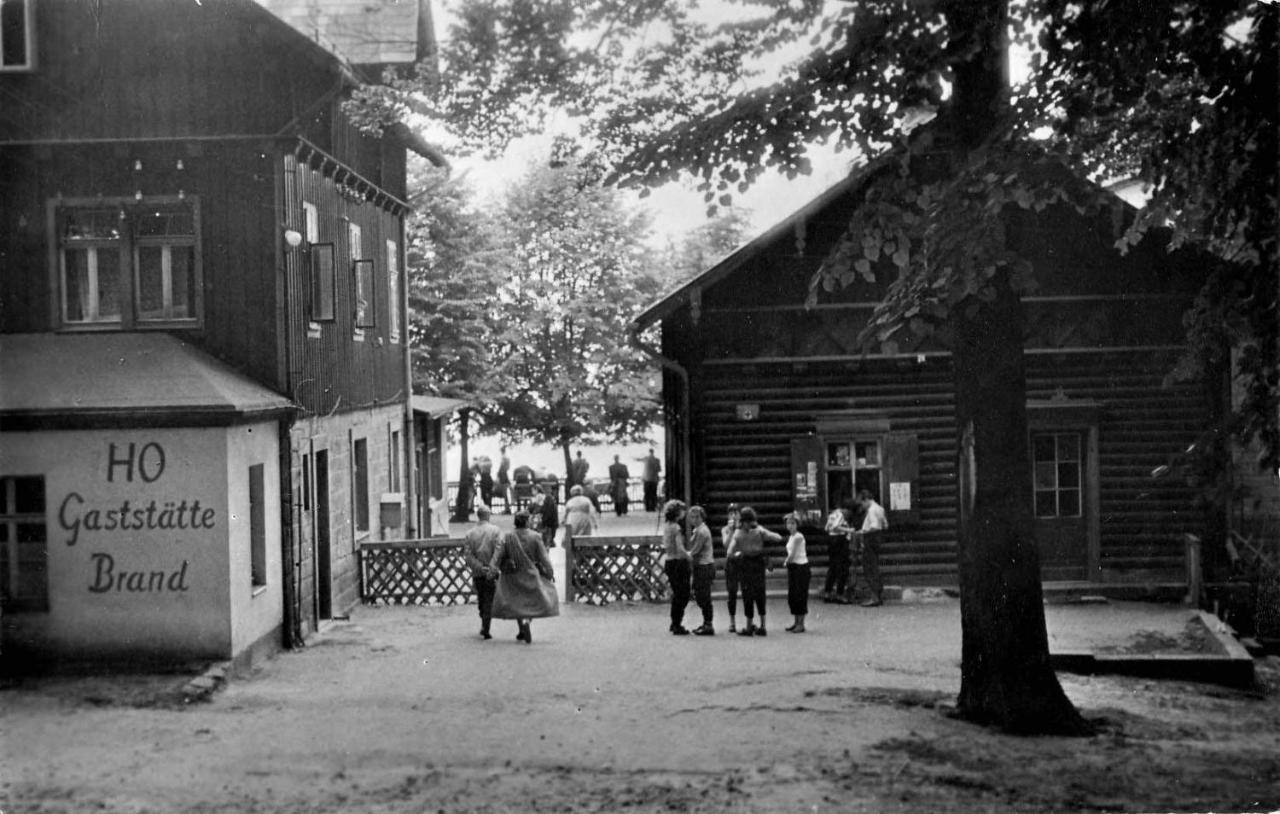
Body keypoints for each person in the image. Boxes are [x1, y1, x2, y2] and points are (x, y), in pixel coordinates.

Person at [488, 511, 559, 643]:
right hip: (530, 573)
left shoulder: (508, 536)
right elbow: (544, 558)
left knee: (517, 602)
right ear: (527, 522)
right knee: (531, 600)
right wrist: (550, 573)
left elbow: (498, 555)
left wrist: (492, 570)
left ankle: (521, 627)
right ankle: (527, 620)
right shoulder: (535, 536)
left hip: (513, 574)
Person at [730, 506, 782, 636]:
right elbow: (778, 538)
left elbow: (729, 552)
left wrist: (739, 553)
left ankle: (749, 626)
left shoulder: (738, 533)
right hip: (758, 563)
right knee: (760, 592)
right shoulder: (759, 531)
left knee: (747, 593)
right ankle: (763, 625)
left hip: (745, 563)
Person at [461, 505, 502, 640]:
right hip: (491, 571)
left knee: (482, 596)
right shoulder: (495, 531)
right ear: (488, 515)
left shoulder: (470, 533)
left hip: (478, 573)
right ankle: (486, 625)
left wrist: (479, 567)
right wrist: (492, 567)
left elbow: (468, 555)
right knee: (489, 598)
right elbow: (498, 550)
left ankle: (484, 623)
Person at [853, 489, 889, 607]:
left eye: (862, 503)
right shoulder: (880, 508)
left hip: (870, 538)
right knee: (874, 566)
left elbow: (874, 526)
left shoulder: (872, 510)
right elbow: (885, 524)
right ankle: (878, 594)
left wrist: (862, 531)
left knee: (869, 567)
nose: (862, 506)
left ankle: (874, 597)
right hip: (877, 539)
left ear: (867, 499)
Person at [661, 500, 692, 635]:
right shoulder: (676, 528)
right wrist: (689, 555)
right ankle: (677, 623)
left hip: (669, 562)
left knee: (677, 593)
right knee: (683, 594)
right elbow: (680, 548)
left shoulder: (667, 526)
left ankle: (674, 622)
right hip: (678, 563)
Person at [686, 505, 716, 635]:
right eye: (692, 517)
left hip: (705, 566)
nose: (694, 519)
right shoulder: (698, 530)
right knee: (700, 595)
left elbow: (696, 550)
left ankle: (708, 624)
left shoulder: (701, 531)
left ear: (702, 517)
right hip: (701, 566)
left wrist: (684, 555)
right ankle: (706, 623)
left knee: (703, 596)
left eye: (697, 516)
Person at [822, 502, 854, 604]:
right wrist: (848, 529)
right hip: (840, 541)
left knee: (833, 568)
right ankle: (839, 594)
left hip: (831, 541)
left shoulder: (832, 514)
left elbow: (826, 528)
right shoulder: (840, 514)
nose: (848, 514)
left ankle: (827, 592)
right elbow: (835, 526)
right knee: (842, 568)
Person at [783, 512, 810, 632]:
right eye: (788, 523)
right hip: (793, 568)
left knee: (800, 595)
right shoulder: (791, 537)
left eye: (793, 523)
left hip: (801, 567)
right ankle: (796, 621)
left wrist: (786, 562)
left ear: (797, 525)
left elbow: (792, 554)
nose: (790, 526)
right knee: (792, 596)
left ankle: (801, 623)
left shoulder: (799, 536)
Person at [721, 504, 742, 632]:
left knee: (747, 591)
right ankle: (732, 621)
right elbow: (725, 544)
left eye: (736, 513)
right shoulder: (725, 529)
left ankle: (748, 620)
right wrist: (731, 531)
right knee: (732, 592)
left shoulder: (744, 529)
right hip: (731, 562)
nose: (733, 516)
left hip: (743, 561)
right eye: (731, 513)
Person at [538, 482, 559, 548]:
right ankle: (550, 542)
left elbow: (548, 513)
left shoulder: (548, 498)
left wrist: (543, 521)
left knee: (547, 538)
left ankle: (549, 542)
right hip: (553, 523)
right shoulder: (550, 498)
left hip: (550, 524)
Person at [640, 448, 661, 512]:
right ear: (653, 452)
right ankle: (653, 507)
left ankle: (647, 507)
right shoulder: (657, 460)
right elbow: (659, 469)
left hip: (646, 479)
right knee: (653, 494)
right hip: (654, 479)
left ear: (649, 452)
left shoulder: (646, 459)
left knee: (647, 494)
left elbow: (638, 459)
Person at [496, 447, 512, 513]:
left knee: (505, 494)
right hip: (505, 476)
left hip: (503, 477)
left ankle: (507, 509)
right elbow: (508, 467)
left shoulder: (503, 457)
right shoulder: (507, 458)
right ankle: (507, 508)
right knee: (506, 494)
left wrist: (498, 474)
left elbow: (501, 466)